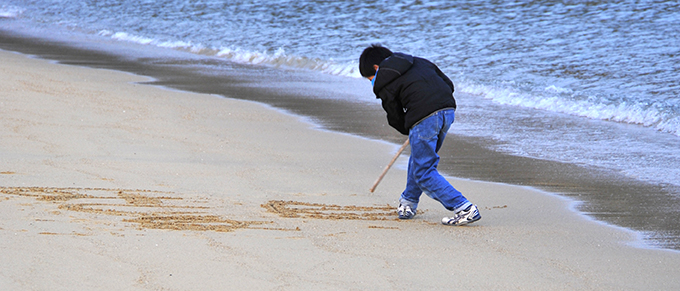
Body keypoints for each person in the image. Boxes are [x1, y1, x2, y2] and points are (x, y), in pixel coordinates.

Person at [359, 44, 481, 226]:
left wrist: (411, 126)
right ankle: (408, 203)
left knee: (424, 171)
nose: (372, 82)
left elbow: (394, 116)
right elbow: (448, 84)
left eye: (370, 78)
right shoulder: (418, 61)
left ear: (376, 68)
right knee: (420, 160)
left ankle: (463, 207)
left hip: (424, 118)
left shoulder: (383, 79)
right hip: (447, 111)